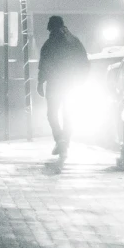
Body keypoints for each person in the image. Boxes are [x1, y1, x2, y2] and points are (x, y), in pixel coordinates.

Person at [35, 15, 89, 160]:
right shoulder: (74, 42)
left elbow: (43, 65)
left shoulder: (49, 43)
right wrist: (82, 79)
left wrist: (40, 83)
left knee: (52, 114)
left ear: (50, 27)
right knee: (69, 113)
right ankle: (65, 140)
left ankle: (60, 139)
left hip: (54, 84)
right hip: (71, 83)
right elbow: (84, 61)